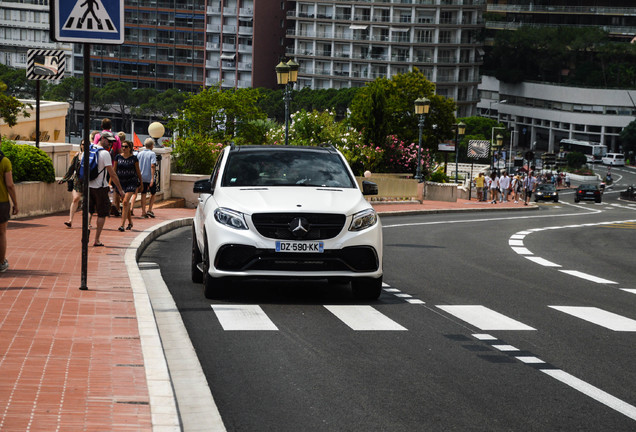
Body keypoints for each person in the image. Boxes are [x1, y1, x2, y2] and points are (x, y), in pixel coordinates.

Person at [89, 131, 124, 247]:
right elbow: (112, 174)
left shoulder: (88, 150)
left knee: (88, 211)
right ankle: (97, 239)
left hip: (87, 186)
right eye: (108, 141)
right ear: (102, 139)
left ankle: (86, 230)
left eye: (112, 142)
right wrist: (120, 189)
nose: (110, 144)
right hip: (100, 187)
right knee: (102, 213)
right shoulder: (105, 154)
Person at [113, 140, 142, 232]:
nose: (124, 148)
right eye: (123, 146)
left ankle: (122, 225)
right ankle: (130, 222)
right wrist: (110, 183)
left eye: (126, 146)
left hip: (131, 182)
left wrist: (141, 182)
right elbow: (114, 171)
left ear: (130, 148)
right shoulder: (118, 157)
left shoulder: (134, 159)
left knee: (125, 202)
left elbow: (138, 171)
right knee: (125, 204)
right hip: (121, 183)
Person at [59, 141, 85, 228]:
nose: (84, 146)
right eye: (82, 144)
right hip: (77, 180)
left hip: (88, 181)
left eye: (86, 144)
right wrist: (64, 179)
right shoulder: (77, 156)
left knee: (88, 202)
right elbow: (71, 168)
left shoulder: (91, 156)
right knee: (75, 198)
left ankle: (87, 222)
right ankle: (70, 220)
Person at [0, 149, 18, 272]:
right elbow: (10, 185)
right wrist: (15, 203)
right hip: (1, 202)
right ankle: (1, 262)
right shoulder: (4, 161)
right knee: (1, 233)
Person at [137, 138, 157, 218]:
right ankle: (149, 209)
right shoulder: (152, 154)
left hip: (141, 177)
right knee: (153, 193)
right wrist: (152, 178)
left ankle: (143, 211)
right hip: (148, 177)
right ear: (152, 145)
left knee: (143, 194)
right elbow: (153, 165)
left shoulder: (140, 153)